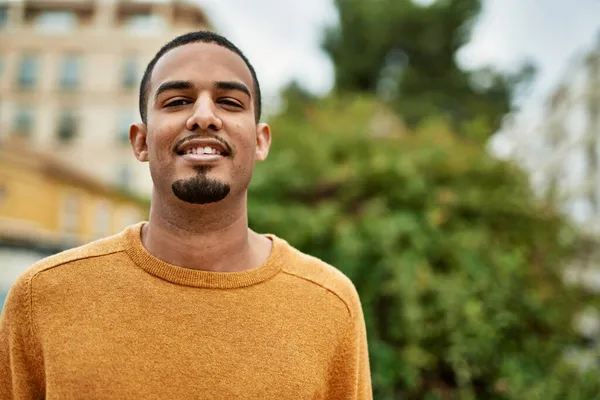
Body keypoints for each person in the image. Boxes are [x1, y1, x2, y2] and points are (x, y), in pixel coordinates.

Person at [0, 31, 372, 399]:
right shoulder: (42, 297)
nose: (204, 116)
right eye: (177, 101)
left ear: (260, 141)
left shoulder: (329, 303)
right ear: (140, 141)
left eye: (229, 101)